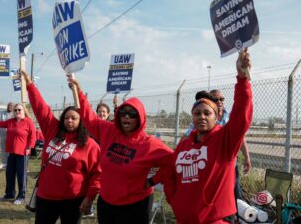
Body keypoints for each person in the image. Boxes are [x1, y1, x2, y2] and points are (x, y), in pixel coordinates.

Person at [161, 49, 253, 224]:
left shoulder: (224, 140)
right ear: (192, 117)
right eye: (197, 113)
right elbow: (170, 173)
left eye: (206, 113)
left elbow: (241, 116)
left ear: (216, 117)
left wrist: (242, 80)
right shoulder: (185, 144)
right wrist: (175, 201)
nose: (201, 116)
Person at [67, 74, 173, 224]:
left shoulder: (149, 144)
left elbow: (175, 162)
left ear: (141, 117)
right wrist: (78, 90)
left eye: (132, 114)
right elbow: (88, 116)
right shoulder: (109, 131)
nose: (127, 117)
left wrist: (153, 180)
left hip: (136, 205)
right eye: (123, 113)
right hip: (107, 202)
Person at [21, 70, 101, 224]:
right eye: (66, 118)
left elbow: (97, 175)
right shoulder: (53, 130)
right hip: (46, 196)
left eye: (74, 118)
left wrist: (90, 197)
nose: (69, 121)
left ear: (81, 121)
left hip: (73, 200)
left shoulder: (89, 145)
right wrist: (29, 84)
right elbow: (40, 107)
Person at [210, 89, 252, 200]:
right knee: (215, 192)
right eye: (215, 99)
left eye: (221, 99)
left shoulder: (230, 117)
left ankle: (237, 215)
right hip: (212, 162)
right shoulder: (206, 116)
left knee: (235, 191)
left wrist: (247, 157)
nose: (219, 102)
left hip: (230, 161)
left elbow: (241, 137)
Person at [0, 103, 36, 205]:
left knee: (21, 175)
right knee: (9, 174)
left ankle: (21, 196)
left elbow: (33, 136)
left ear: (24, 111)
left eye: (19, 110)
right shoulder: (11, 121)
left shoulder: (28, 122)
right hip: (12, 152)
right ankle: (9, 194)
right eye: (15, 110)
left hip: (22, 153)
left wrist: (29, 148)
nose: (17, 111)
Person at [0, 102, 14, 170]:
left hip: (11, 135)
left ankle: (10, 164)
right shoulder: (1, 113)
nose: (10, 107)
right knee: (3, 150)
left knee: (10, 150)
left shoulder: (14, 114)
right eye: (9, 105)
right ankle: (4, 163)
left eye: (11, 106)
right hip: (3, 135)